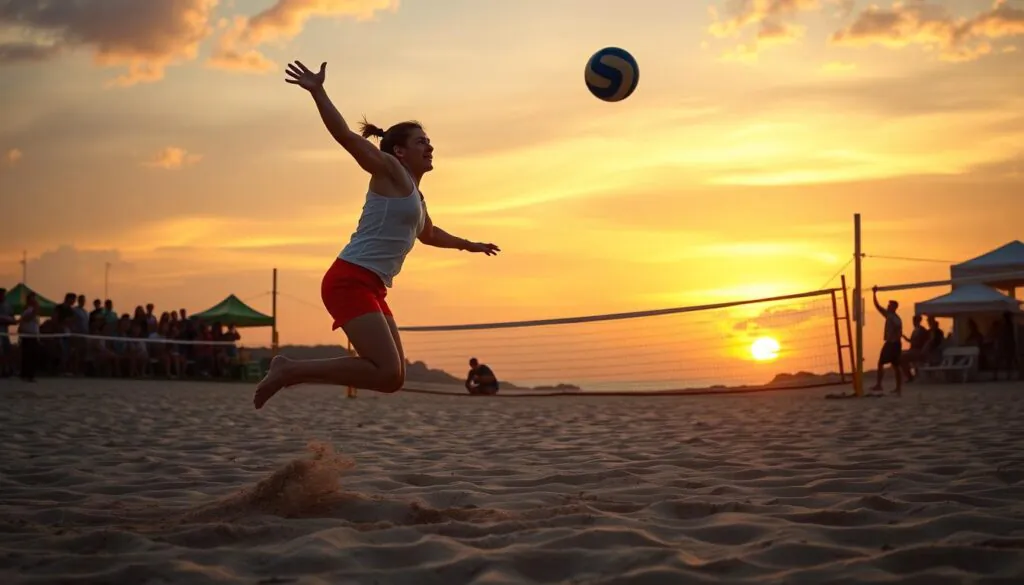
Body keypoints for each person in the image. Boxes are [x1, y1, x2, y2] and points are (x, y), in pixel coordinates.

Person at [254, 61, 500, 409]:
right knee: (385, 371)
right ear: (399, 150)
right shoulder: (389, 170)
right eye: (421, 142)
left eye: (429, 142)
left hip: (372, 286)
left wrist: (468, 245)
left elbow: (428, 233)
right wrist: (318, 91)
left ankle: (291, 370)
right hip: (349, 279)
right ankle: (289, 370)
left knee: (393, 378)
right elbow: (345, 136)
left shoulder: (417, 196)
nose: (429, 147)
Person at [870, 286, 902, 395]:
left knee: (894, 366)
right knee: (889, 365)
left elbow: (898, 329)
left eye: (890, 305)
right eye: (888, 305)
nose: (888, 306)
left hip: (893, 344)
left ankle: (894, 387)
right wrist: (874, 294)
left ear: (894, 307)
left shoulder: (895, 318)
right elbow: (877, 306)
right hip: (891, 343)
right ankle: (881, 385)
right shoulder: (889, 315)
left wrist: (893, 339)